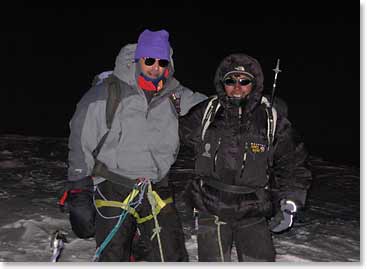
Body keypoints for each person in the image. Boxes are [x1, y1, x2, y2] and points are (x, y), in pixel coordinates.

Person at [66, 29, 207, 262]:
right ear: (138, 59)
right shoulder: (108, 91)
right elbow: (81, 138)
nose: (155, 67)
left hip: (155, 187)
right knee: (114, 255)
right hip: (113, 184)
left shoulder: (176, 94)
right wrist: (79, 188)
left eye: (162, 62)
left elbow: (211, 111)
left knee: (171, 256)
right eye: (149, 60)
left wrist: (248, 104)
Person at [179, 53, 312, 262]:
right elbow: (171, 132)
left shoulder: (270, 119)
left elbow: (293, 163)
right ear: (222, 83)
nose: (237, 87)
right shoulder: (207, 112)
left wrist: (290, 202)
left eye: (244, 81)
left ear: (254, 83)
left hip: (254, 208)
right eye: (231, 81)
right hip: (210, 205)